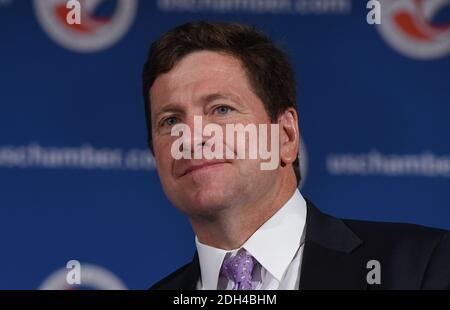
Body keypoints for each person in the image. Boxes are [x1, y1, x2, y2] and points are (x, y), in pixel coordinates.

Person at [141, 21, 450, 290]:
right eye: (170, 121)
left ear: (286, 136)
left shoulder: (423, 266)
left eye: (222, 109)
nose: (192, 137)